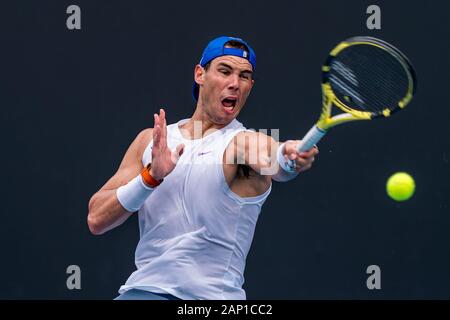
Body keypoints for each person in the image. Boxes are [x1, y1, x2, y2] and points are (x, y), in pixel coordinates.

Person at [87, 36, 319, 300]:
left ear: (250, 86)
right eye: (224, 71)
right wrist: (150, 177)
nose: (235, 83)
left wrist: (287, 156)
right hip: (143, 291)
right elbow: (96, 219)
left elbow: (272, 158)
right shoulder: (151, 140)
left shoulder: (241, 144)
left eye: (244, 76)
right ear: (200, 74)